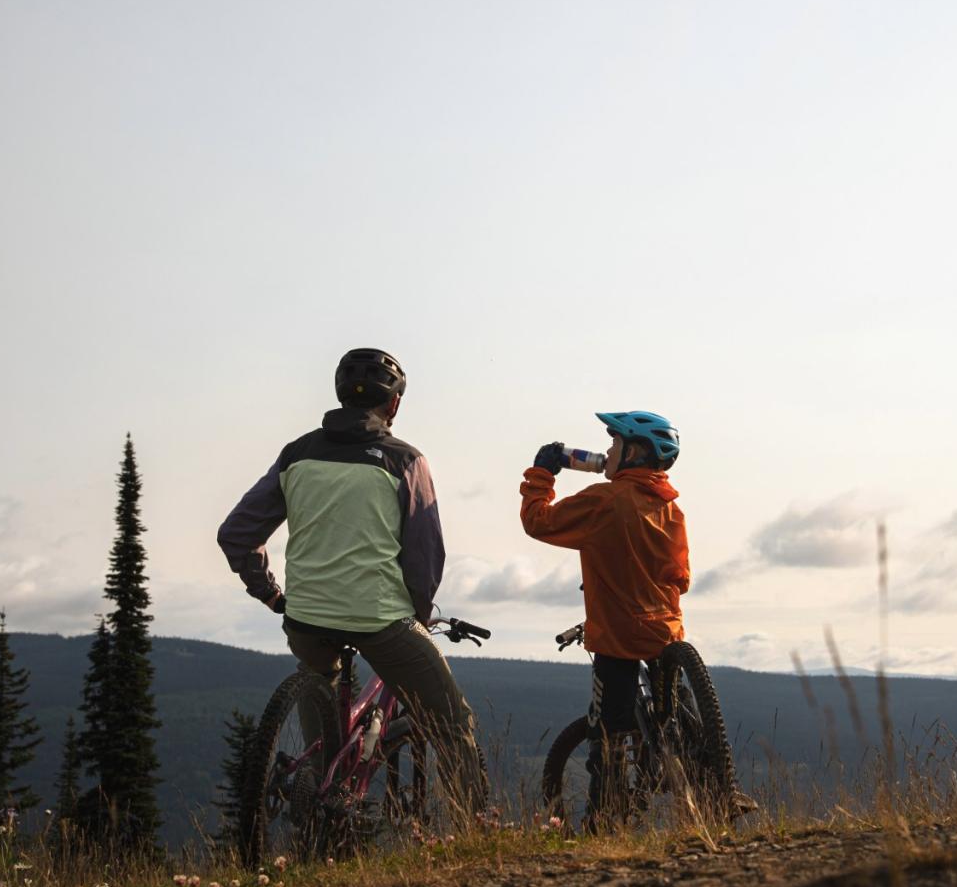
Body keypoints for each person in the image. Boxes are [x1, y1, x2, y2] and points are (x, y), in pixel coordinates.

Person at [217, 348, 488, 818]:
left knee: (317, 677)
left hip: (305, 617)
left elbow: (236, 534)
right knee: (451, 720)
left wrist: (270, 592)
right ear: (395, 405)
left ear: (340, 395)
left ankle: (318, 792)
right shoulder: (406, 460)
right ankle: (477, 830)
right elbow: (426, 555)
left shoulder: (296, 454)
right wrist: (419, 615)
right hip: (381, 620)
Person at [519, 411, 689, 828]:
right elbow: (680, 578)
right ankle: (711, 775)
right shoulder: (672, 511)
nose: (608, 451)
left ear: (632, 452)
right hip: (666, 633)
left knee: (608, 735)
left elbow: (537, 521)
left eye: (615, 444)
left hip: (617, 637)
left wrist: (542, 472)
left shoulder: (604, 500)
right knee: (676, 713)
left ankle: (603, 822)